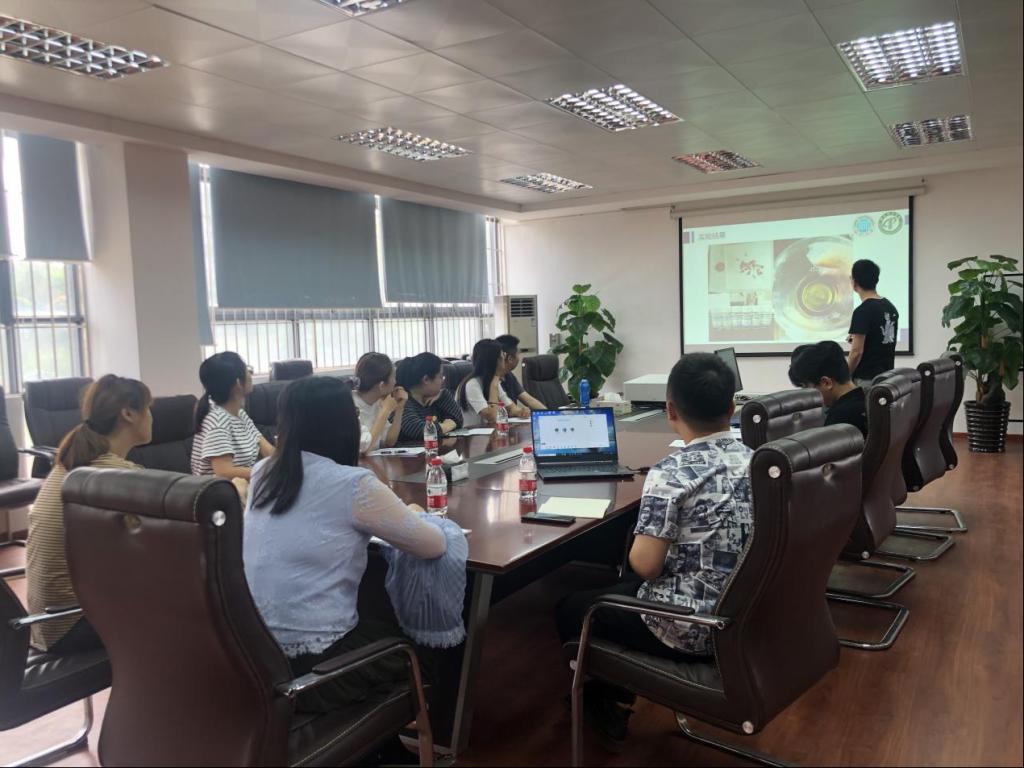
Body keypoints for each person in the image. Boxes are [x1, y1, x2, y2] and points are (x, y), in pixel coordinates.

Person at [555, 353, 753, 750]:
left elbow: (646, 566)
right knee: (620, 586)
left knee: (572, 608)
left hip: (692, 626)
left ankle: (605, 698)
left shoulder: (672, 471)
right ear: (732, 408)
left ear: (670, 410)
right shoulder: (756, 459)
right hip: (750, 611)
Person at [243, 376, 446, 715]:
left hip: (255, 660)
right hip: (317, 673)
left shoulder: (263, 471)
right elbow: (433, 546)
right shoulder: (352, 484)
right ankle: (428, 733)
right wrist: (414, 512)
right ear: (342, 424)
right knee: (430, 645)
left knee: (373, 604)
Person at [26, 375, 153, 654]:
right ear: (128, 413)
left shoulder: (71, 464)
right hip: (72, 624)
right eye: (148, 408)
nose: (152, 417)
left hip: (45, 623)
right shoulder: (118, 475)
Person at [191, 352, 274, 491]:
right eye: (246, 370)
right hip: (219, 495)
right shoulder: (217, 420)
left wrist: (287, 461)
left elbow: (267, 450)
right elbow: (224, 471)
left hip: (244, 489)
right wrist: (265, 472)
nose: (250, 374)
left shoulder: (239, 414)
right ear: (238, 383)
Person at [789, 341, 868, 436]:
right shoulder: (868, 398)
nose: (807, 394)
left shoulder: (839, 419)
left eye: (806, 387)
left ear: (826, 383)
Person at [847, 259, 899, 388]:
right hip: (887, 377)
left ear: (854, 282)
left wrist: (845, 377)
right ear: (876, 280)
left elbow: (856, 352)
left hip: (866, 380)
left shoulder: (862, 311)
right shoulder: (890, 307)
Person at [395, 352, 464, 442]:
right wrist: (447, 425)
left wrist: (443, 396)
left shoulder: (441, 396)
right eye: (441, 377)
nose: (443, 381)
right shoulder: (402, 401)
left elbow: (458, 419)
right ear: (426, 379)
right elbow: (420, 430)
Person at [457, 339, 529, 422]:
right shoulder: (472, 384)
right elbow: (492, 416)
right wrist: (496, 376)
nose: (504, 358)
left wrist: (520, 412)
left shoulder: (490, 381)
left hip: (490, 429)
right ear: (495, 361)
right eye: (503, 355)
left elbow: (511, 408)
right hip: (474, 430)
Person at [352, 352, 407, 454]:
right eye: (393, 377)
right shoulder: (351, 405)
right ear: (382, 385)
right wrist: (385, 411)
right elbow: (363, 450)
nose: (395, 382)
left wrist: (400, 408)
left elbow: (390, 441)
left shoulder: (376, 402)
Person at [494, 334, 547, 411]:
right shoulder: (491, 380)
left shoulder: (509, 376)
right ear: (510, 359)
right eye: (518, 354)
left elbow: (529, 400)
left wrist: (548, 414)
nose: (519, 357)